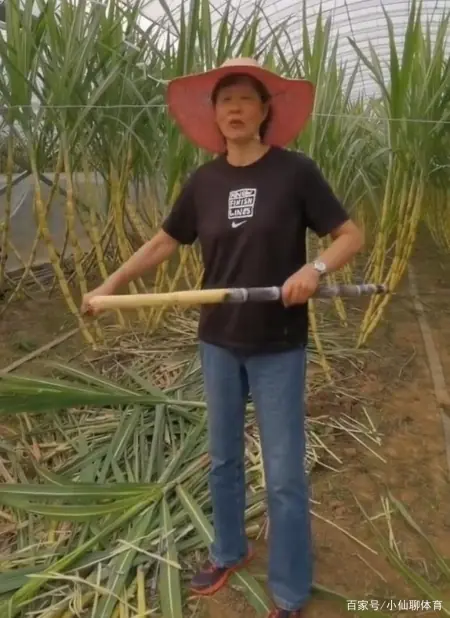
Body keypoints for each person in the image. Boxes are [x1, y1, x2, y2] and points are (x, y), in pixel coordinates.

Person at [81, 57, 364, 618]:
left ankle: (289, 589)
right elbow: (164, 242)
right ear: (213, 115)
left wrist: (316, 271)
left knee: (283, 475)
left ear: (264, 113)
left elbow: (350, 234)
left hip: (278, 343)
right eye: (224, 100)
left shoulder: (296, 173)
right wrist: (110, 284)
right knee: (224, 459)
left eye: (245, 99)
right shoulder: (204, 181)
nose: (234, 109)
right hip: (218, 341)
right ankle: (229, 550)